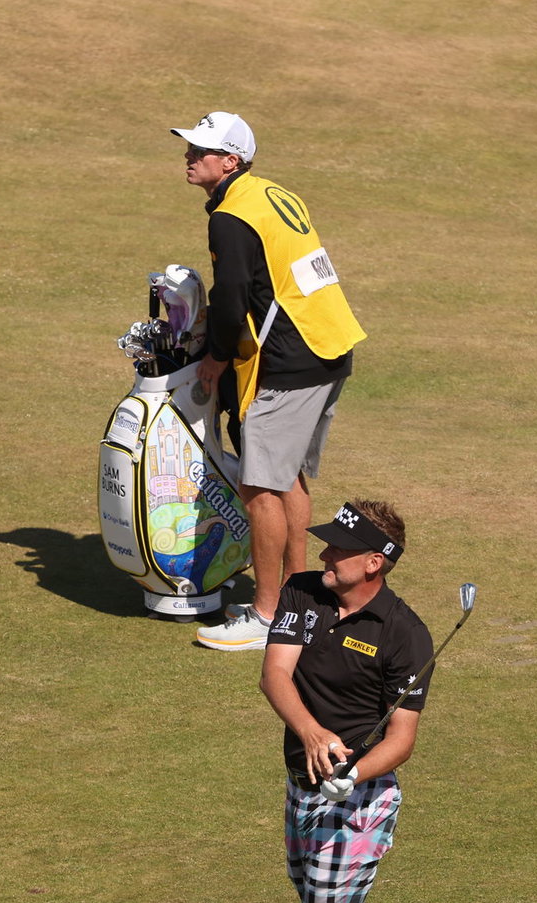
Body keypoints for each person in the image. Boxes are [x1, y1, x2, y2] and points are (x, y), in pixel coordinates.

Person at [241, 499, 439, 903]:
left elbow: (400, 740)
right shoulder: (304, 594)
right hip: (304, 791)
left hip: (360, 804)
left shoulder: (405, 634)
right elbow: (276, 676)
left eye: (338, 549)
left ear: (375, 563)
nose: (323, 555)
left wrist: (352, 774)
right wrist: (312, 733)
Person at [168, 112, 368, 652]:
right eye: (189, 147)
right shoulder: (272, 193)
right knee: (289, 480)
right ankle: (297, 599)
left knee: (259, 486)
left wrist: (215, 356)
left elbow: (232, 299)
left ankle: (269, 613)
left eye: (201, 151)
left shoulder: (230, 217)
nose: (189, 157)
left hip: (290, 359)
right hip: (329, 346)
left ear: (230, 161)